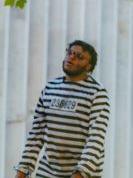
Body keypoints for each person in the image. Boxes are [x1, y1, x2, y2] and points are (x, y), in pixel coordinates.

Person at [14, 40, 110, 178]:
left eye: (79, 56)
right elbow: (36, 134)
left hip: (82, 173)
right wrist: (22, 170)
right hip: (48, 172)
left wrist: (80, 173)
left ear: (89, 66)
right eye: (70, 53)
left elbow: (96, 138)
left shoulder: (97, 93)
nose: (71, 57)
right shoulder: (50, 88)